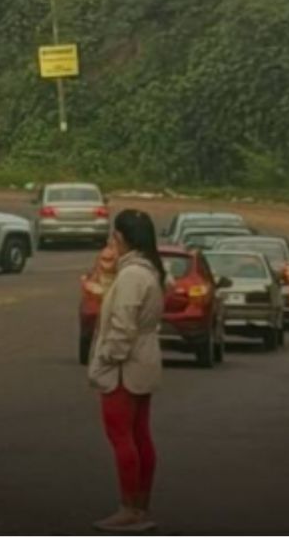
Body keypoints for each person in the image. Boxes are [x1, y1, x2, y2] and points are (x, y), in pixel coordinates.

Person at [87, 209, 166, 532]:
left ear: (120, 238)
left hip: (125, 365)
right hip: (144, 358)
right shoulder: (151, 271)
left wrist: (107, 357)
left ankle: (129, 507)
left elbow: (123, 324)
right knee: (139, 434)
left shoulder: (133, 275)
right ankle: (140, 504)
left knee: (121, 436)